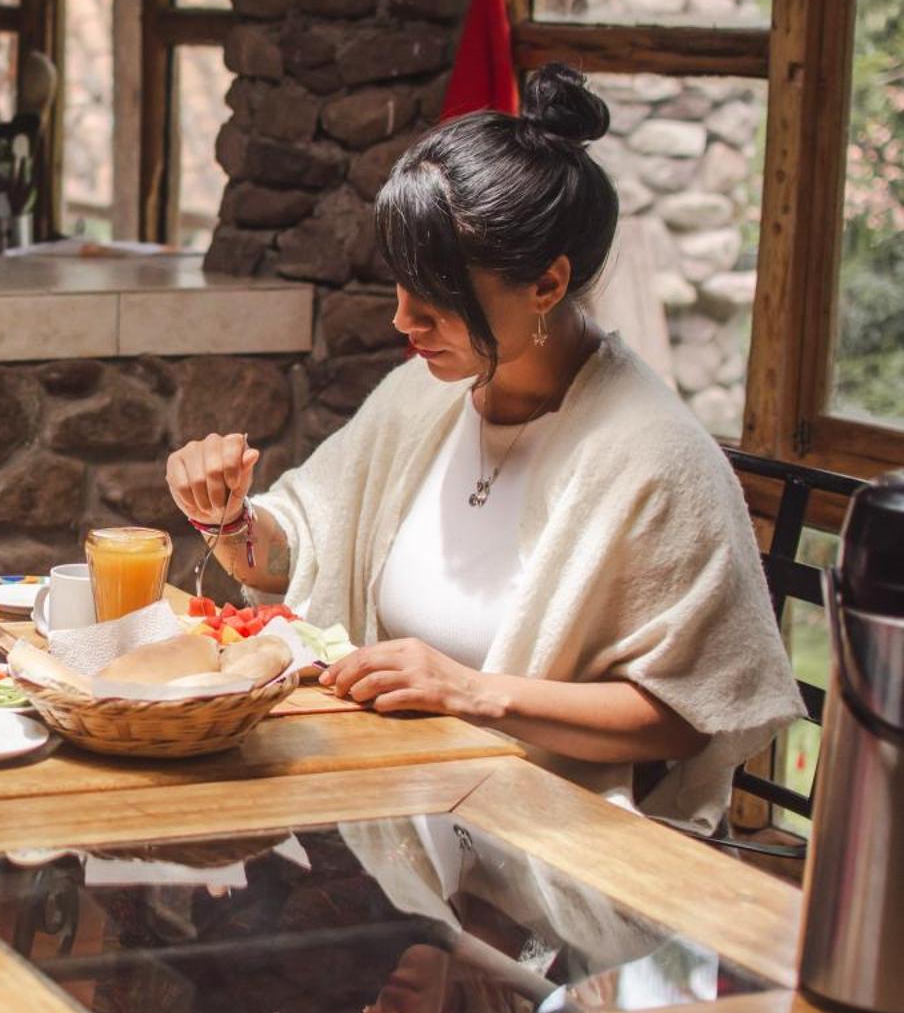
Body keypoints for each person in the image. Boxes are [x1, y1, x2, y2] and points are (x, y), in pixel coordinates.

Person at [165, 65, 801, 832]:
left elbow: (689, 711)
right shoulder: (421, 397)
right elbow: (296, 556)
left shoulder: (657, 459)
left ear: (546, 284)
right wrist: (230, 517)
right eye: (400, 284)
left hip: (555, 848)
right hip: (395, 811)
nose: (405, 319)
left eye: (436, 296)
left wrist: (473, 690)